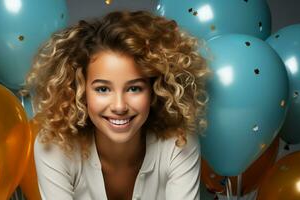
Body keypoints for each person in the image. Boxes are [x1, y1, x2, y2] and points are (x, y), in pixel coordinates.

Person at [22, 10, 210, 200]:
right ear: (80, 90)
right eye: (103, 89)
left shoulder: (178, 143)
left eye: (134, 88)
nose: (119, 106)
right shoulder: (56, 146)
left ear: (155, 89)